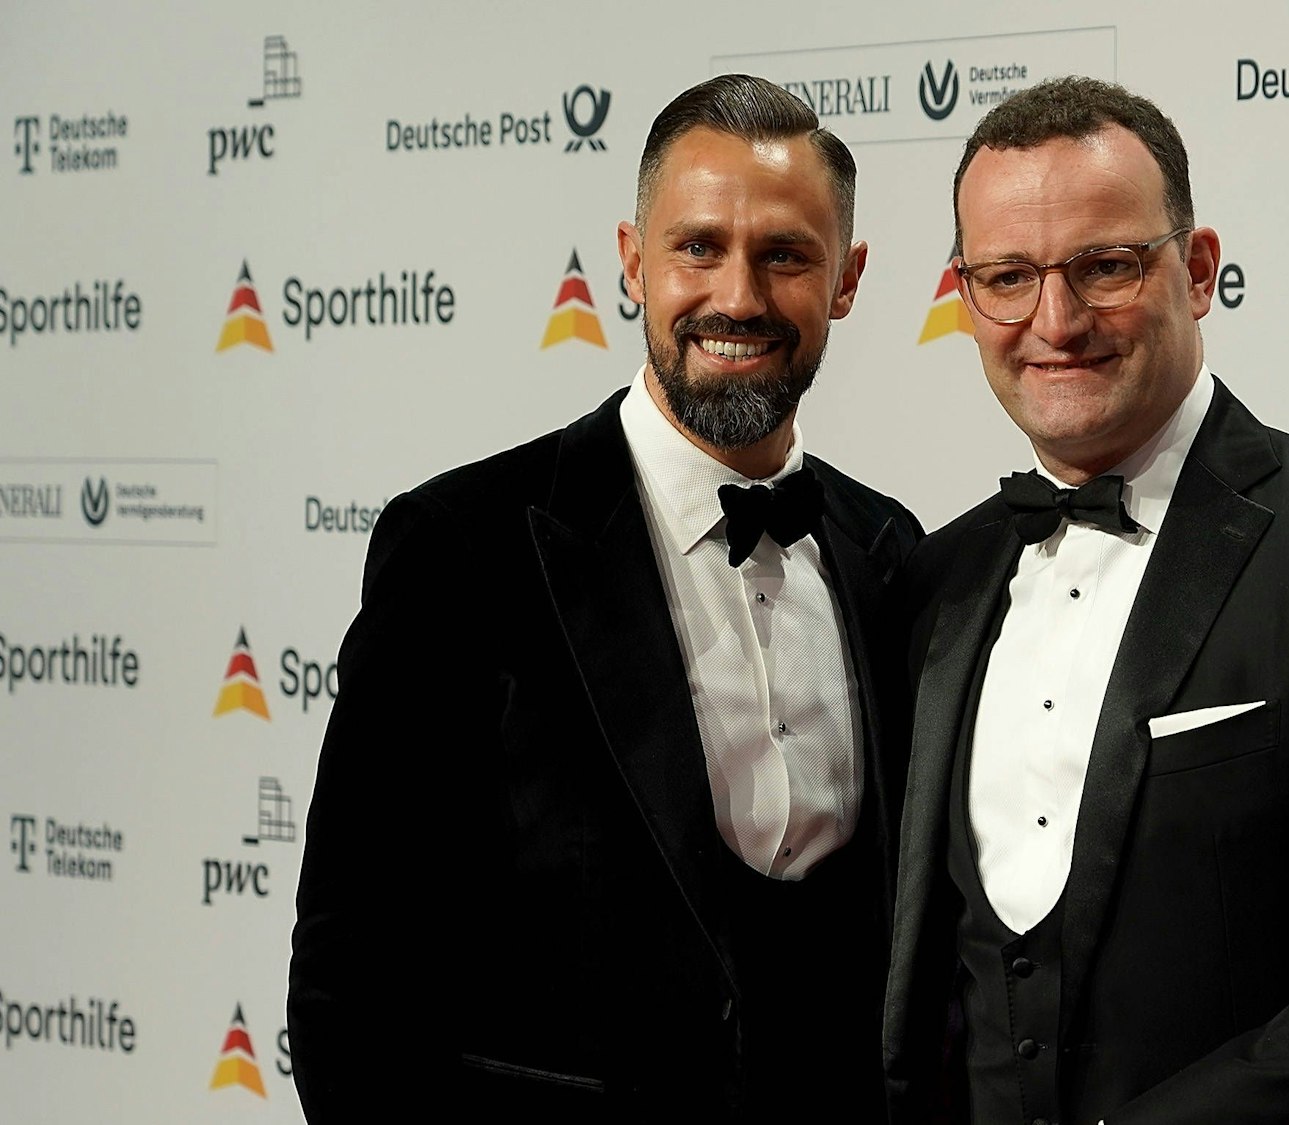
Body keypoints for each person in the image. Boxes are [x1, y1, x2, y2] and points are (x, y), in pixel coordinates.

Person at [883, 77, 1289, 1124]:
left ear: (1194, 272)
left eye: (1103, 266)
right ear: (964, 298)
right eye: (1006, 276)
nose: (1052, 321)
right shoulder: (938, 579)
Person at [289, 74, 920, 1122]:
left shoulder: (890, 555)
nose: (737, 297)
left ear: (846, 279)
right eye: (698, 247)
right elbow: (351, 988)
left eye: (785, 255)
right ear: (632, 262)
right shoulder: (463, 549)